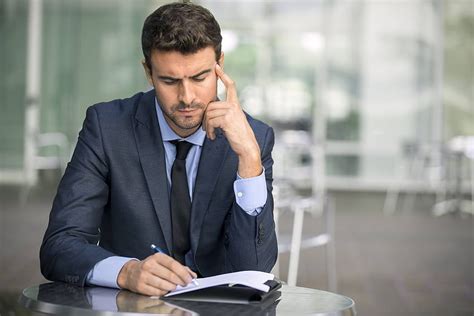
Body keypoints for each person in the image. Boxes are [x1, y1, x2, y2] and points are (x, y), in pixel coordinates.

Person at [40, 2, 277, 297]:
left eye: (200, 77)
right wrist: (125, 272)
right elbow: (59, 245)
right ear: (148, 72)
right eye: (169, 80)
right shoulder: (107, 128)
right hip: (132, 305)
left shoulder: (254, 139)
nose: (187, 97)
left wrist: (250, 161)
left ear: (220, 67)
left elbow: (254, 267)